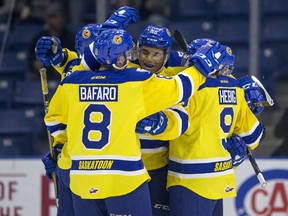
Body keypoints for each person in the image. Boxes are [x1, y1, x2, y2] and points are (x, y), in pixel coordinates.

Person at [44, 28, 230, 215]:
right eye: (139, 52)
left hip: (84, 176)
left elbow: (56, 124)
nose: (146, 58)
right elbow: (181, 87)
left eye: (156, 53)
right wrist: (202, 67)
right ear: (121, 58)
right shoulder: (135, 80)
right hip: (125, 176)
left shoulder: (72, 81)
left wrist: (63, 149)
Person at [162, 45, 265, 215]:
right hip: (220, 179)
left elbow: (171, 127)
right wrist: (250, 110)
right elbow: (254, 137)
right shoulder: (236, 88)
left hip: (189, 181)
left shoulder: (190, 89)